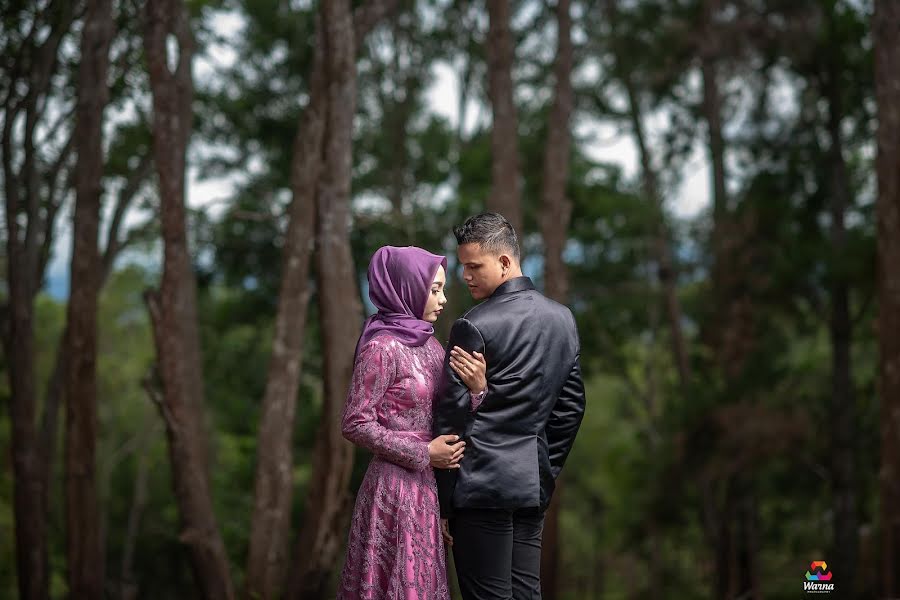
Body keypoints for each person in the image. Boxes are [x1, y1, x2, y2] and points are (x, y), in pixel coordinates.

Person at [434, 212, 587, 600]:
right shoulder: (563, 319)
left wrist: (443, 501)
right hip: (532, 486)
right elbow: (570, 410)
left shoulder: (473, 325)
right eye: (462, 266)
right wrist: (544, 470)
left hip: (480, 487)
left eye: (473, 266)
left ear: (504, 262)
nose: (465, 276)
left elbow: (452, 417)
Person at [337, 245, 488, 600]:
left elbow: (450, 411)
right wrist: (422, 452)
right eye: (434, 289)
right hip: (393, 490)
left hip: (431, 490)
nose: (444, 299)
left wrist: (479, 390)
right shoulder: (382, 347)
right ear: (406, 287)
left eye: (441, 288)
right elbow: (355, 422)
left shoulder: (432, 346)